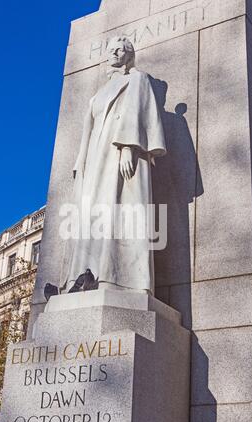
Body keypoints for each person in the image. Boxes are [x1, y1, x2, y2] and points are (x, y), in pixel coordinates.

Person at [62, 36, 167, 294]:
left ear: (129, 55)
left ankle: (115, 277)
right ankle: (81, 276)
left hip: (119, 152)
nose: (115, 52)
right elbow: (88, 129)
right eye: (111, 49)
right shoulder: (97, 94)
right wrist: (80, 164)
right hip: (97, 159)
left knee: (119, 212)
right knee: (92, 215)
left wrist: (130, 147)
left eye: (121, 49)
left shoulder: (138, 79)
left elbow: (136, 112)